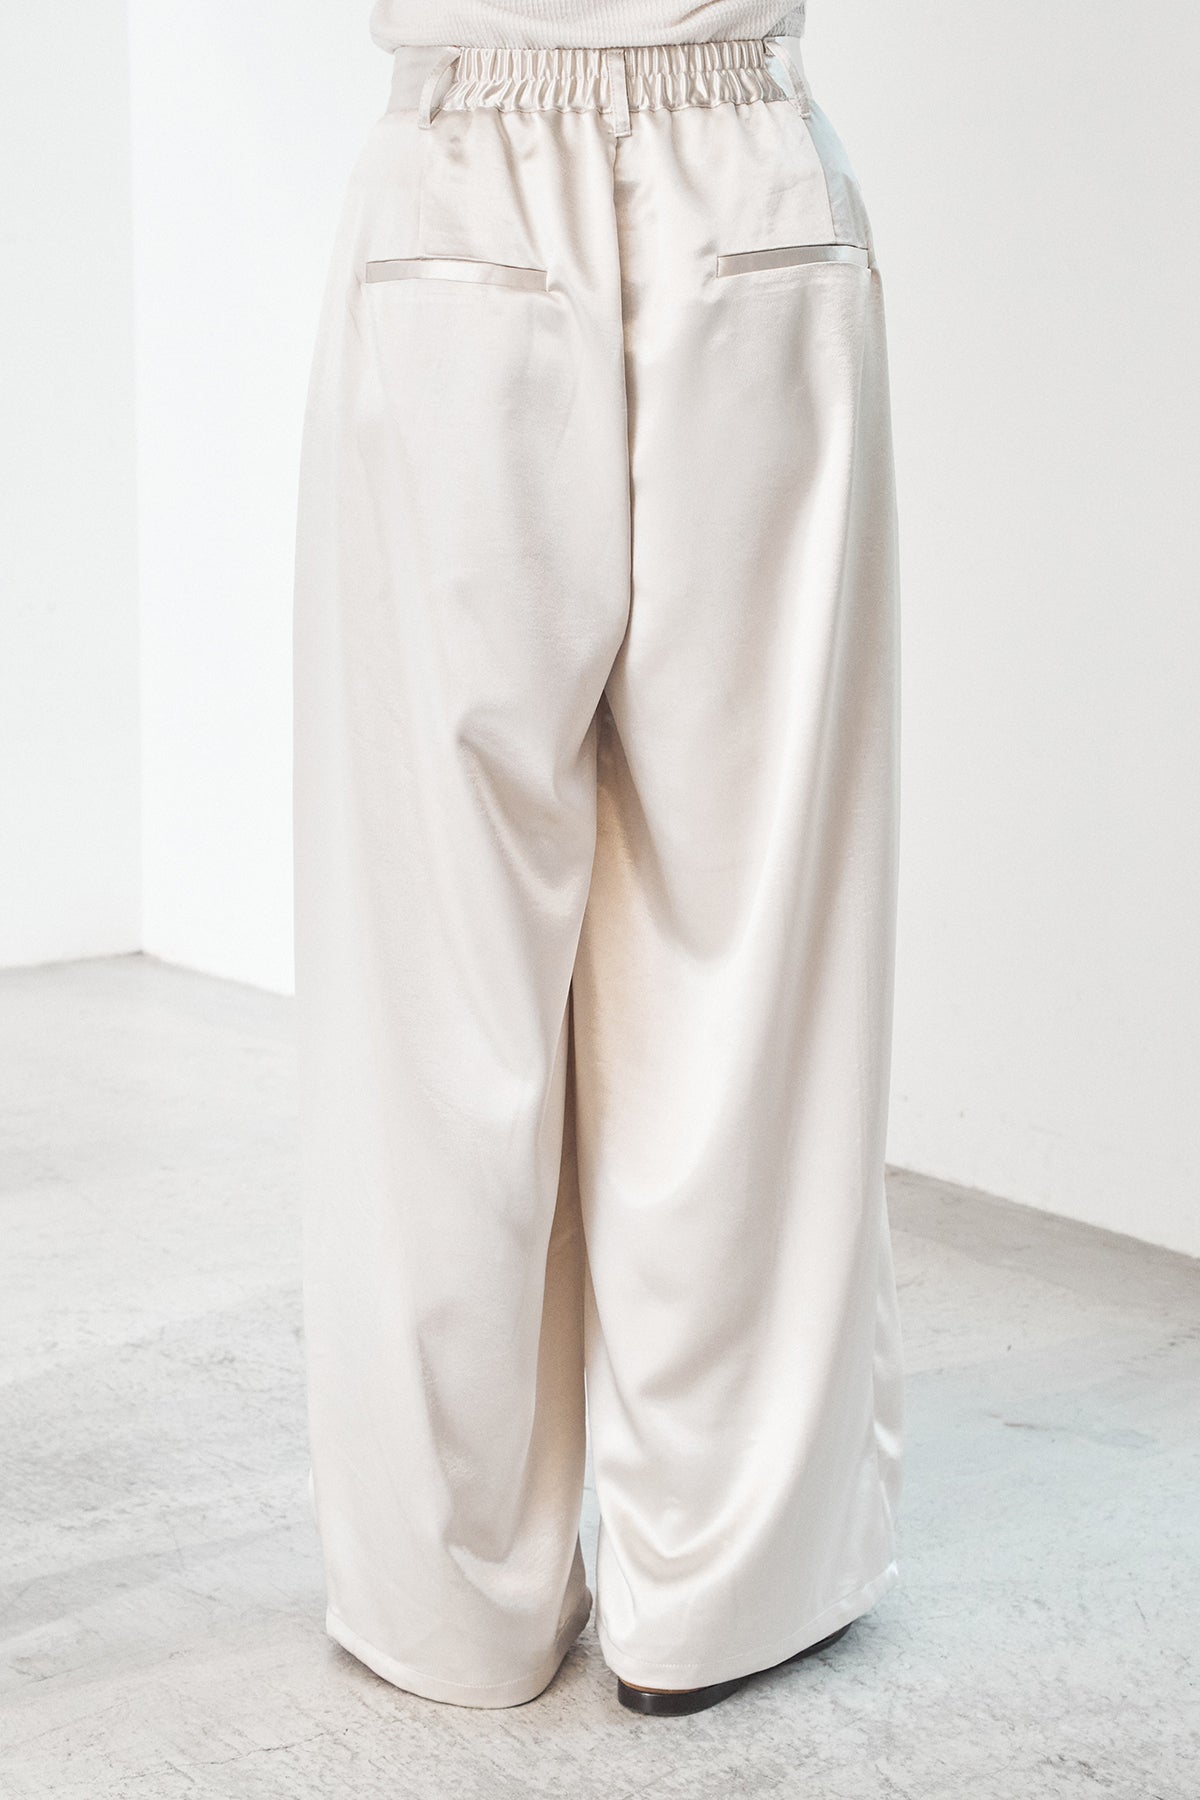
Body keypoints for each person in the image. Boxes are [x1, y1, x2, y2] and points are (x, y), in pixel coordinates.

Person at [292, 0, 904, 1718]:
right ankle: (723, 1585)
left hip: (452, 191)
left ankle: (443, 1598)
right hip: (747, 173)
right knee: (751, 930)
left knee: (433, 955)